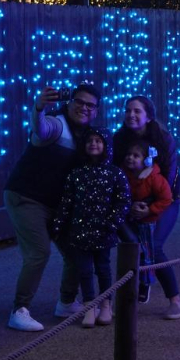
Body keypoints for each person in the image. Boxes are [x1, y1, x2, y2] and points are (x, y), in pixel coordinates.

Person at [4, 82, 102, 332]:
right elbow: (41, 129)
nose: (84, 108)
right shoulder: (57, 125)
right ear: (69, 103)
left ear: (96, 111)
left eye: (90, 105)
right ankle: (19, 310)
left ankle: (66, 302)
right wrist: (38, 108)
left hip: (55, 203)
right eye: (79, 102)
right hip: (26, 197)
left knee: (75, 250)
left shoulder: (88, 135)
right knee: (39, 252)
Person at [113, 96, 180, 320]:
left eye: (136, 111)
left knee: (153, 245)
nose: (131, 115)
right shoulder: (119, 139)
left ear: (148, 116)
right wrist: (129, 203)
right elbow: (116, 174)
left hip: (164, 199)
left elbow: (170, 180)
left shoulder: (163, 139)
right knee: (131, 247)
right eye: (127, 110)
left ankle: (175, 300)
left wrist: (150, 207)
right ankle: (135, 289)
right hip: (131, 201)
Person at [52, 128, 131, 328]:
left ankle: (106, 304)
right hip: (79, 232)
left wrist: (112, 223)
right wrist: (59, 224)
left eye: (98, 141)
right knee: (84, 270)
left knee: (103, 269)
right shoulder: (76, 174)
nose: (93, 144)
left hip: (104, 232)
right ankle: (90, 305)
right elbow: (67, 202)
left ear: (105, 145)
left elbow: (123, 201)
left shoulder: (115, 173)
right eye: (89, 141)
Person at [121, 141, 173, 309]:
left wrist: (150, 210)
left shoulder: (154, 178)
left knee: (147, 253)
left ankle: (145, 282)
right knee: (131, 251)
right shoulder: (124, 175)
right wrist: (129, 207)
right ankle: (132, 282)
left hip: (147, 221)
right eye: (129, 155)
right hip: (130, 218)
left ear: (146, 160)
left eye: (136, 156)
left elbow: (166, 199)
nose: (130, 158)